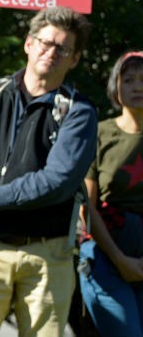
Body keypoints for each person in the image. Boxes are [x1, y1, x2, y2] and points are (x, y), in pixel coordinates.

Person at [0, 5, 98, 336]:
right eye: (45, 42)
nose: (51, 52)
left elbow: (58, 180)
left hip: (47, 256)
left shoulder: (79, 112)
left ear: (74, 59)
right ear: (28, 43)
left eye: (63, 48)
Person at [78, 51, 143, 335]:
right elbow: (86, 207)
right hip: (107, 256)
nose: (137, 87)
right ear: (116, 87)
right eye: (128, 80)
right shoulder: (99, 133)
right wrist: (120, 260)